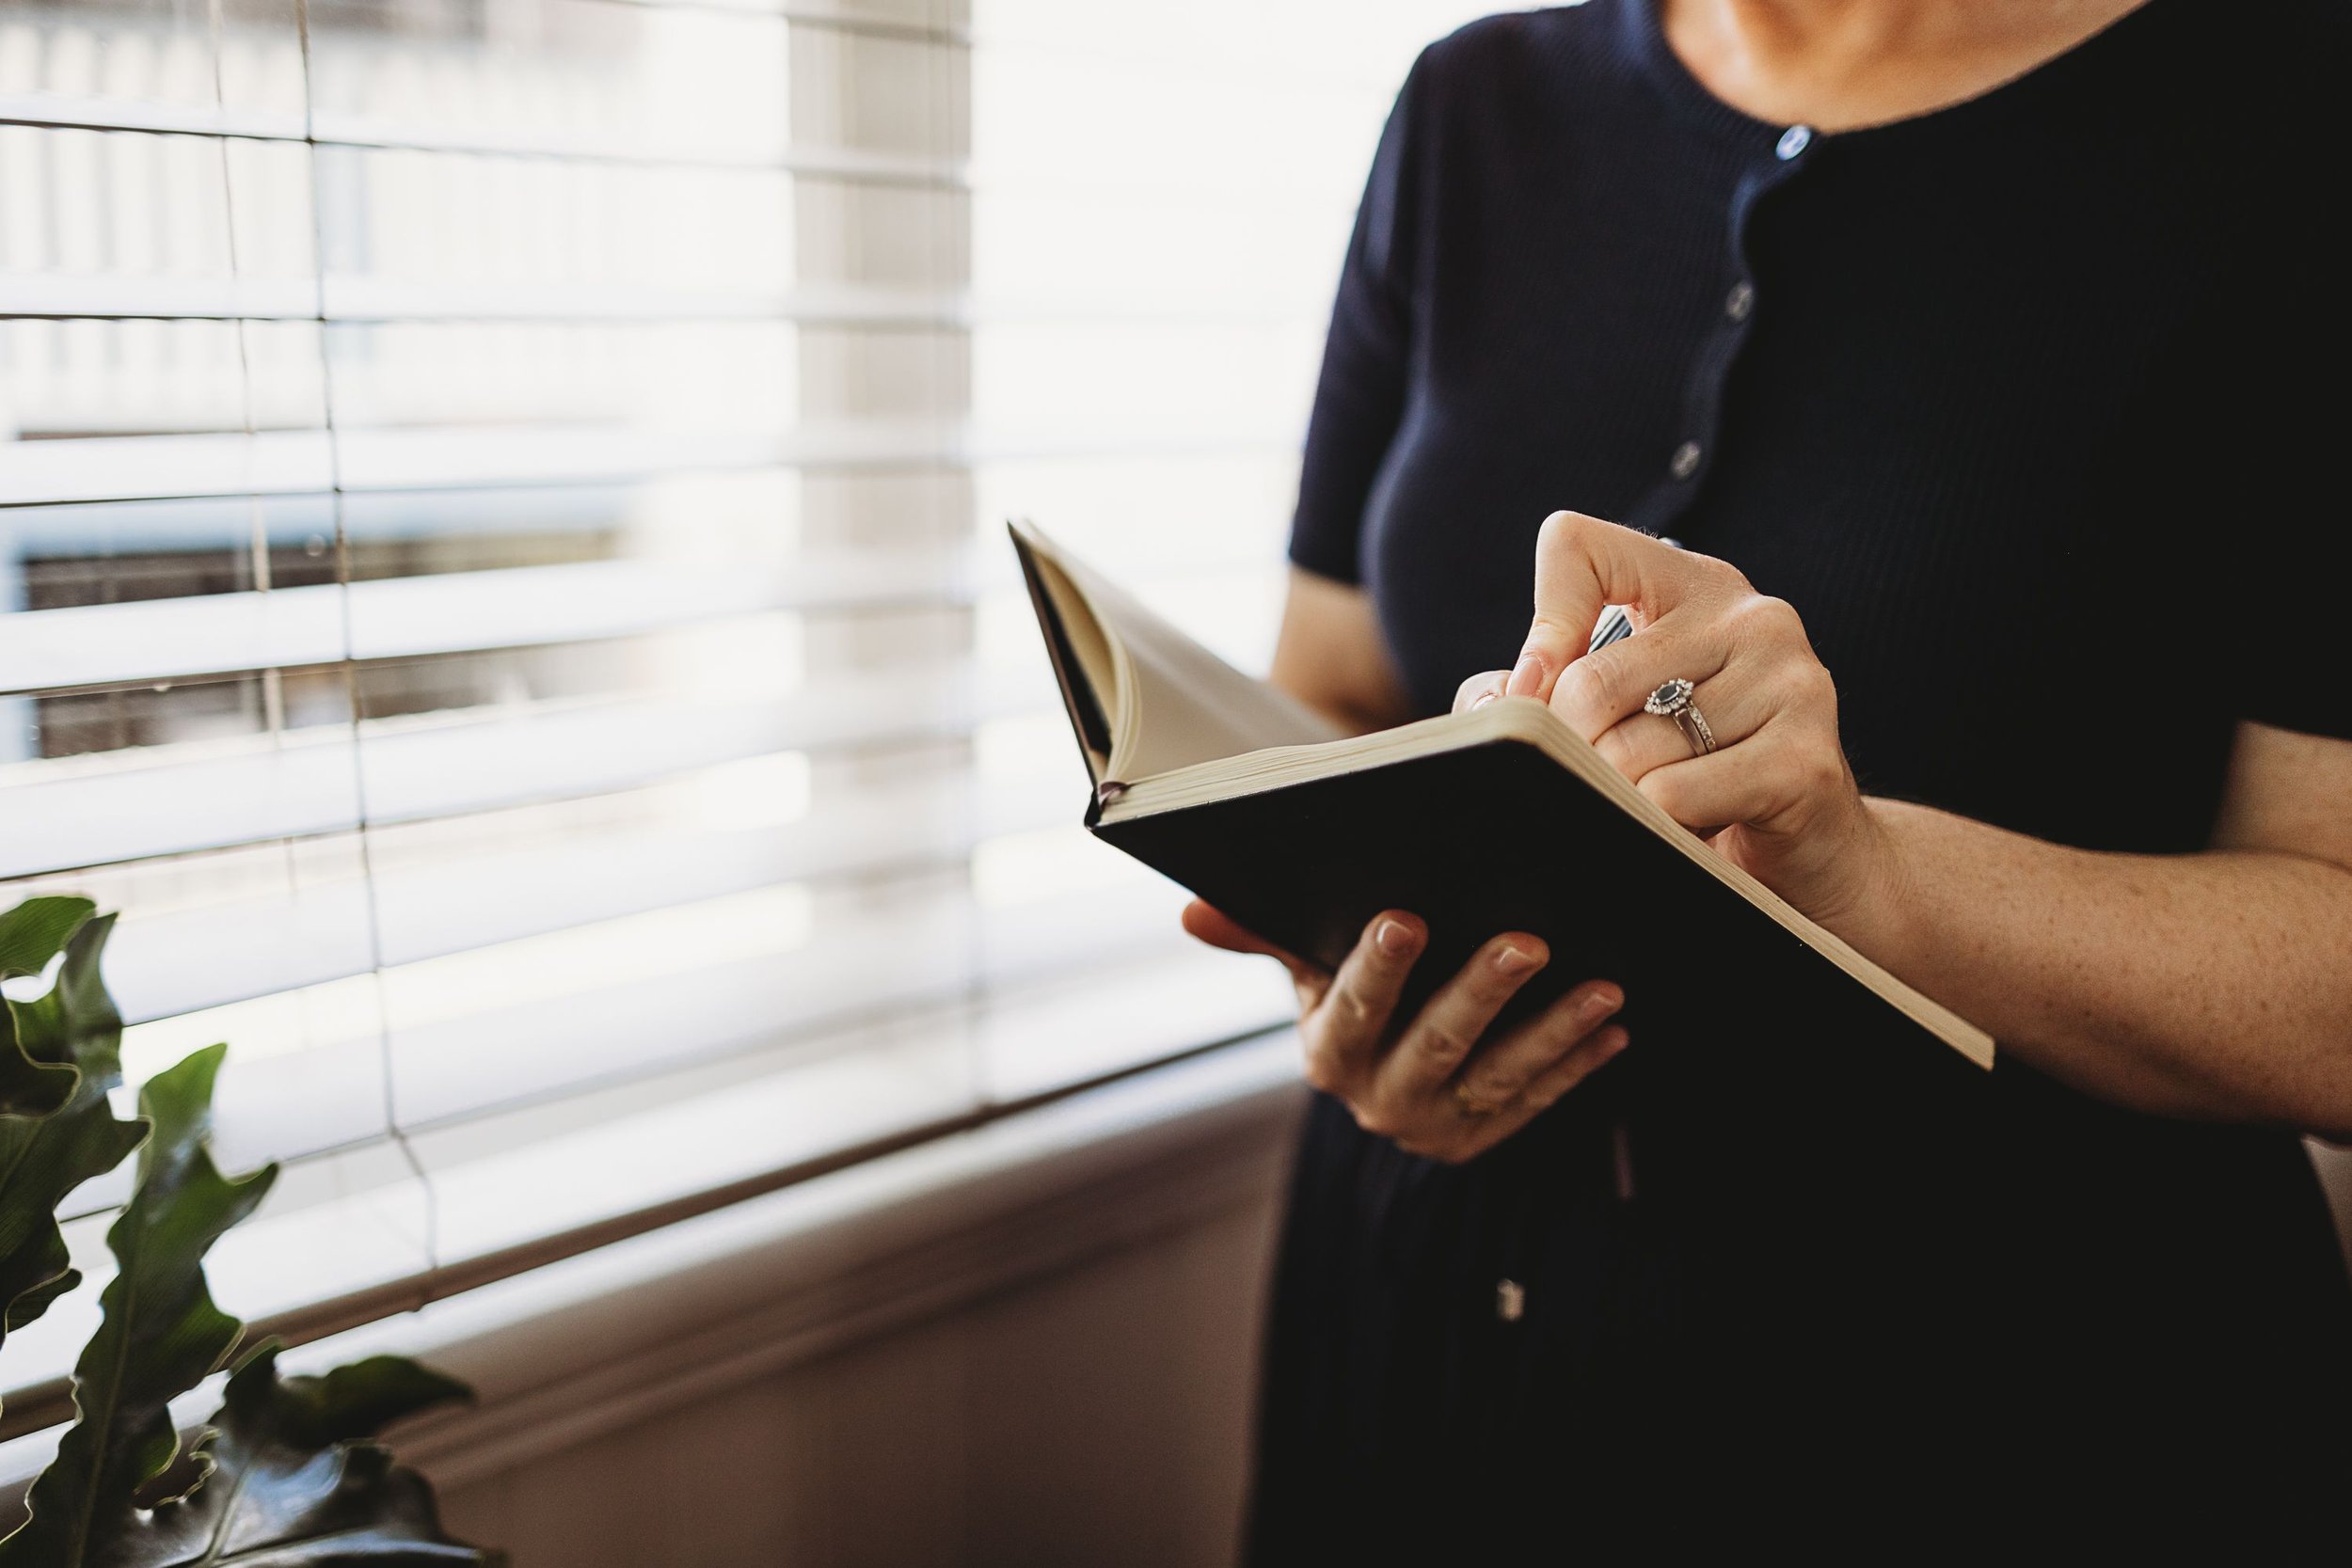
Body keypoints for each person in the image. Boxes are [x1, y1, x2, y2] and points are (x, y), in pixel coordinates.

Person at [1184, 0, 2352, 1554]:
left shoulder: (2296, 115)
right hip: (1431, 1329)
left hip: (2015, 1409)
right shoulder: (1474, 107)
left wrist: (1867, 869)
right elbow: (1335, 682)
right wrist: (1364, 978)